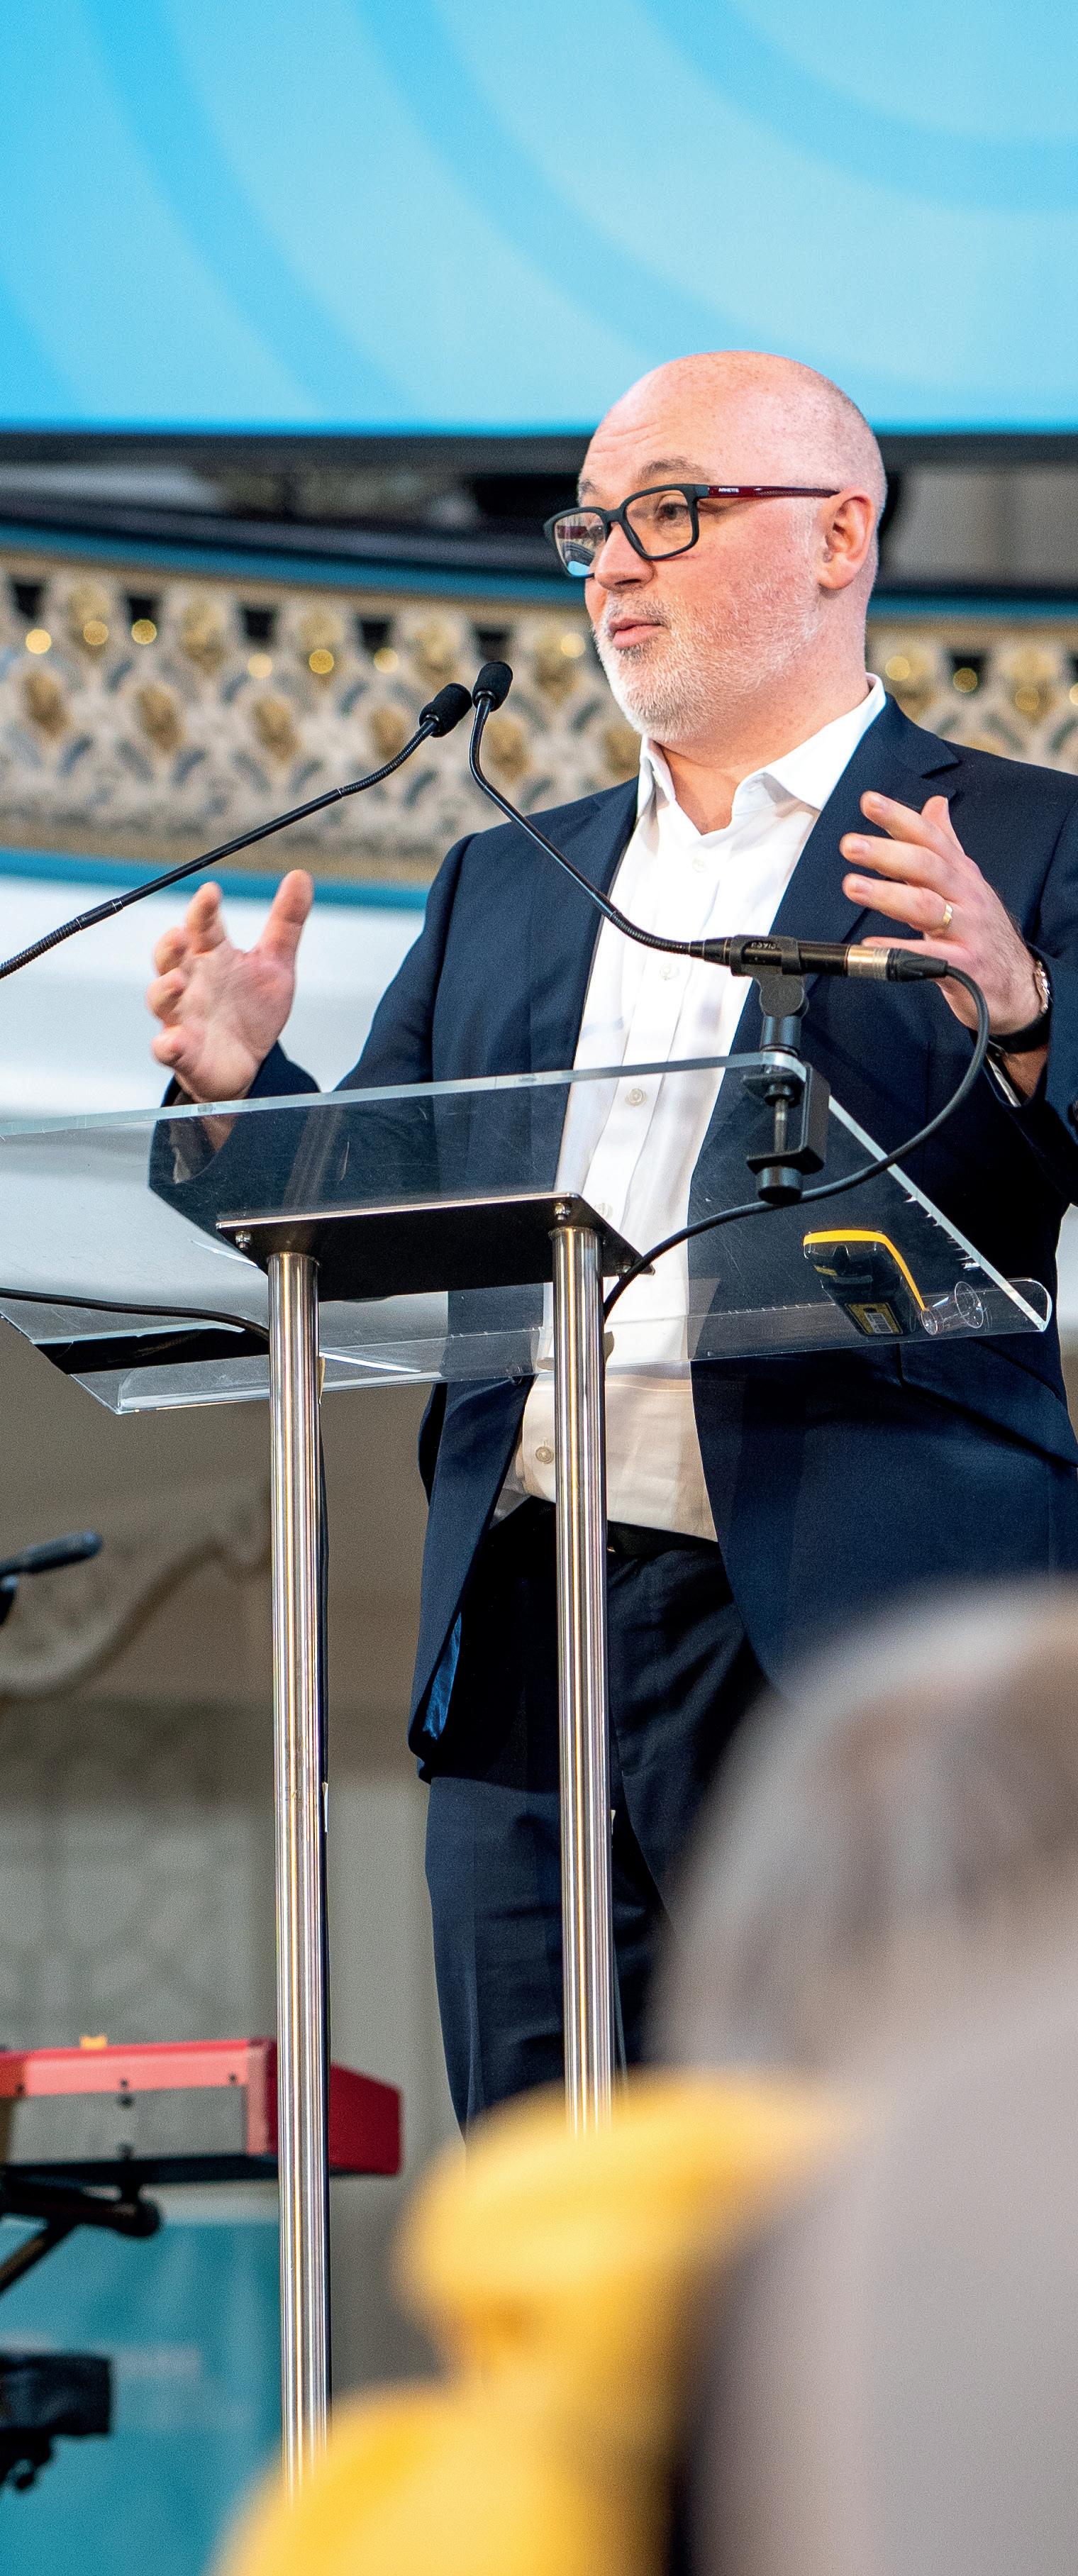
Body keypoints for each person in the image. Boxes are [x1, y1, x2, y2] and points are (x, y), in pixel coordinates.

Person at [145, 350, 1078, 2124]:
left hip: (850, 1637)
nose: (612, 568)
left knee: (825, 2197)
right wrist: (245, 1089)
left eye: (668, 512)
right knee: (543, 2188)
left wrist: (1024, 1010)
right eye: (592, 530)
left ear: (838, 537)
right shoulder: (510, 873)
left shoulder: (1022, 837)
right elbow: (381, 1215)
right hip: (528, 1624)